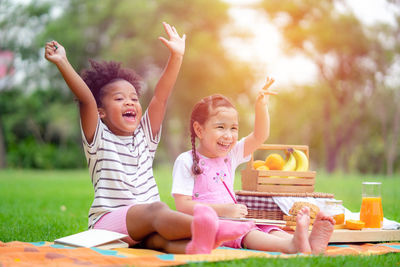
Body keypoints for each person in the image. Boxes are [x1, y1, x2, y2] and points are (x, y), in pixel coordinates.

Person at [44, 22, 254, 254]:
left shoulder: (145, 136)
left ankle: (200, 244)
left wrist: (177, 56)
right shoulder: (98, 139)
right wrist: (62, 61)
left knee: (162, 242)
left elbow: (161, 96)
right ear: (100, 112)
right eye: (119, 99)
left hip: (144, 227)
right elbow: (86, 100)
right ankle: (216, 227)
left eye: (134, 98)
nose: (130, 102)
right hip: (110, 225)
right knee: (156, 210)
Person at [171, 79, 335, 254]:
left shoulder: (230, 155)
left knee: (265, 227)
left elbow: (259, 136)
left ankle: (308, 243)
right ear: (199, 129)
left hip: (234, 217)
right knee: (246, 233)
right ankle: (290, 246)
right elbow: (183, 206)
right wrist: (224, 210)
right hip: (209, 225)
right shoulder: (186, 161)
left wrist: (261, 107)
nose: (228, 135)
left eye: (233, 128)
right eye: (220, 127)